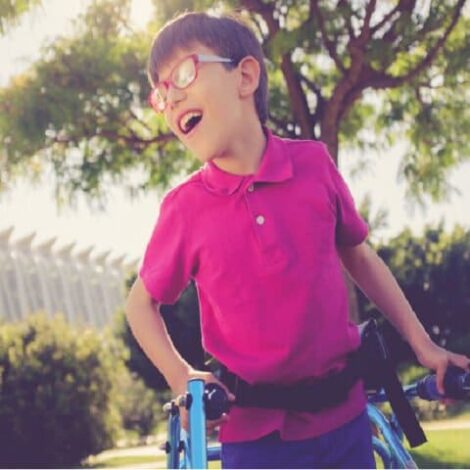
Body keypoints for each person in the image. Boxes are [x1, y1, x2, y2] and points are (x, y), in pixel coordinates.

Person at [125, 11, 470, 469]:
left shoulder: (313, 165)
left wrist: (424, 347)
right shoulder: (185, 209)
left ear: (245, 76)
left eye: (184, 73)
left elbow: (361, 257)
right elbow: (139, 304)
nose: (171, 98)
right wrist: (181, 375)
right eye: (161, 92)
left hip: (344, 417)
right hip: (254, 435)